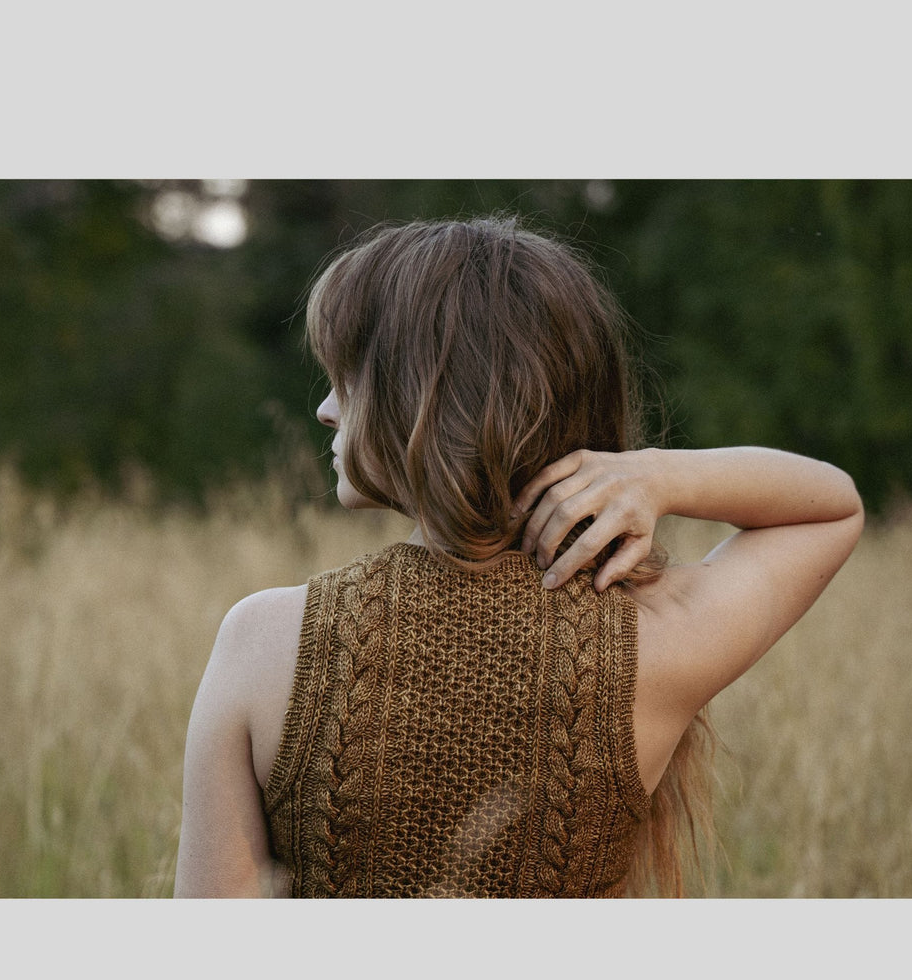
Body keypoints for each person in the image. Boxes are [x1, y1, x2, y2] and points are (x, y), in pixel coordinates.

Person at [173, 216, 864, 898]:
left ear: (422, 399)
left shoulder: (262, 642)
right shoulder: (650, 642)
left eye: (349, 377)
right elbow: (832, 506)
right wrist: (657, 475)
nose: (326, 410)